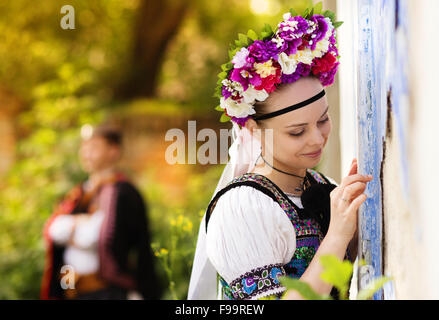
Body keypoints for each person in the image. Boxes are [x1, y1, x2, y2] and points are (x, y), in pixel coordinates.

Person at [188, 8, 373, 300]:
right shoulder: (242, 208)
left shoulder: (318, 183)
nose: (317, 139)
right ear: (253, 129)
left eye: (323, 120)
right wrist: (337, 235)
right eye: (297, 132)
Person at [40, 125, 162, 300]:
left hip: (107, 293)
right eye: (84, 147)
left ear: (113, 151)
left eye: (94, 148)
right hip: (71, 291)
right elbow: (53, 231)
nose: (86, 154)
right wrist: (81, 224)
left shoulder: (124, 194)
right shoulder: (79, 193)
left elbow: (95, 238)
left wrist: (73, 227)